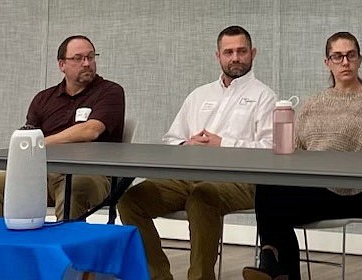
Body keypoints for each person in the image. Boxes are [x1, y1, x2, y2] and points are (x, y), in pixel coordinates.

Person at [117, 25, 276, 280]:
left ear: (253, 53)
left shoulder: (264, 97)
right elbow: (171, 139)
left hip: (240, 180)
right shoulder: (199, 95)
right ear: (218, 56)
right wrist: (186, 145)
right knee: (130, 200)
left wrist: (222, 143)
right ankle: (158, 275)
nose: (235, 57)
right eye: (228, 52)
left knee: (203, 196)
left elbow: (270, 149)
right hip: (186, 176)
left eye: (241, 51)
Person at [242, 32, 362, 280]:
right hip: (313, 188)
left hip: (355, 193)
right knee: (269, 190)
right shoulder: (313, 103)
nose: (345, 62)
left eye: (350, 55)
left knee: (276, 207)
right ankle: (273, 263)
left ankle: (272, 262)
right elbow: (292, 150)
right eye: (337, 56)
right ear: (327, 62)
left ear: (360, 59)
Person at [0, 35, 124, 220]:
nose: (86, 63)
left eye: (91, 57)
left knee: (74, 186)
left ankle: (63, 247)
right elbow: (26, 139)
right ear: (62, 65)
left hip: (91, 174)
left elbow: (90, 130)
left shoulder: (110, 92)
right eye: (78, 58)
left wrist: (42, 142)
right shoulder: (44, 99)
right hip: (43, 173)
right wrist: (31, 143)